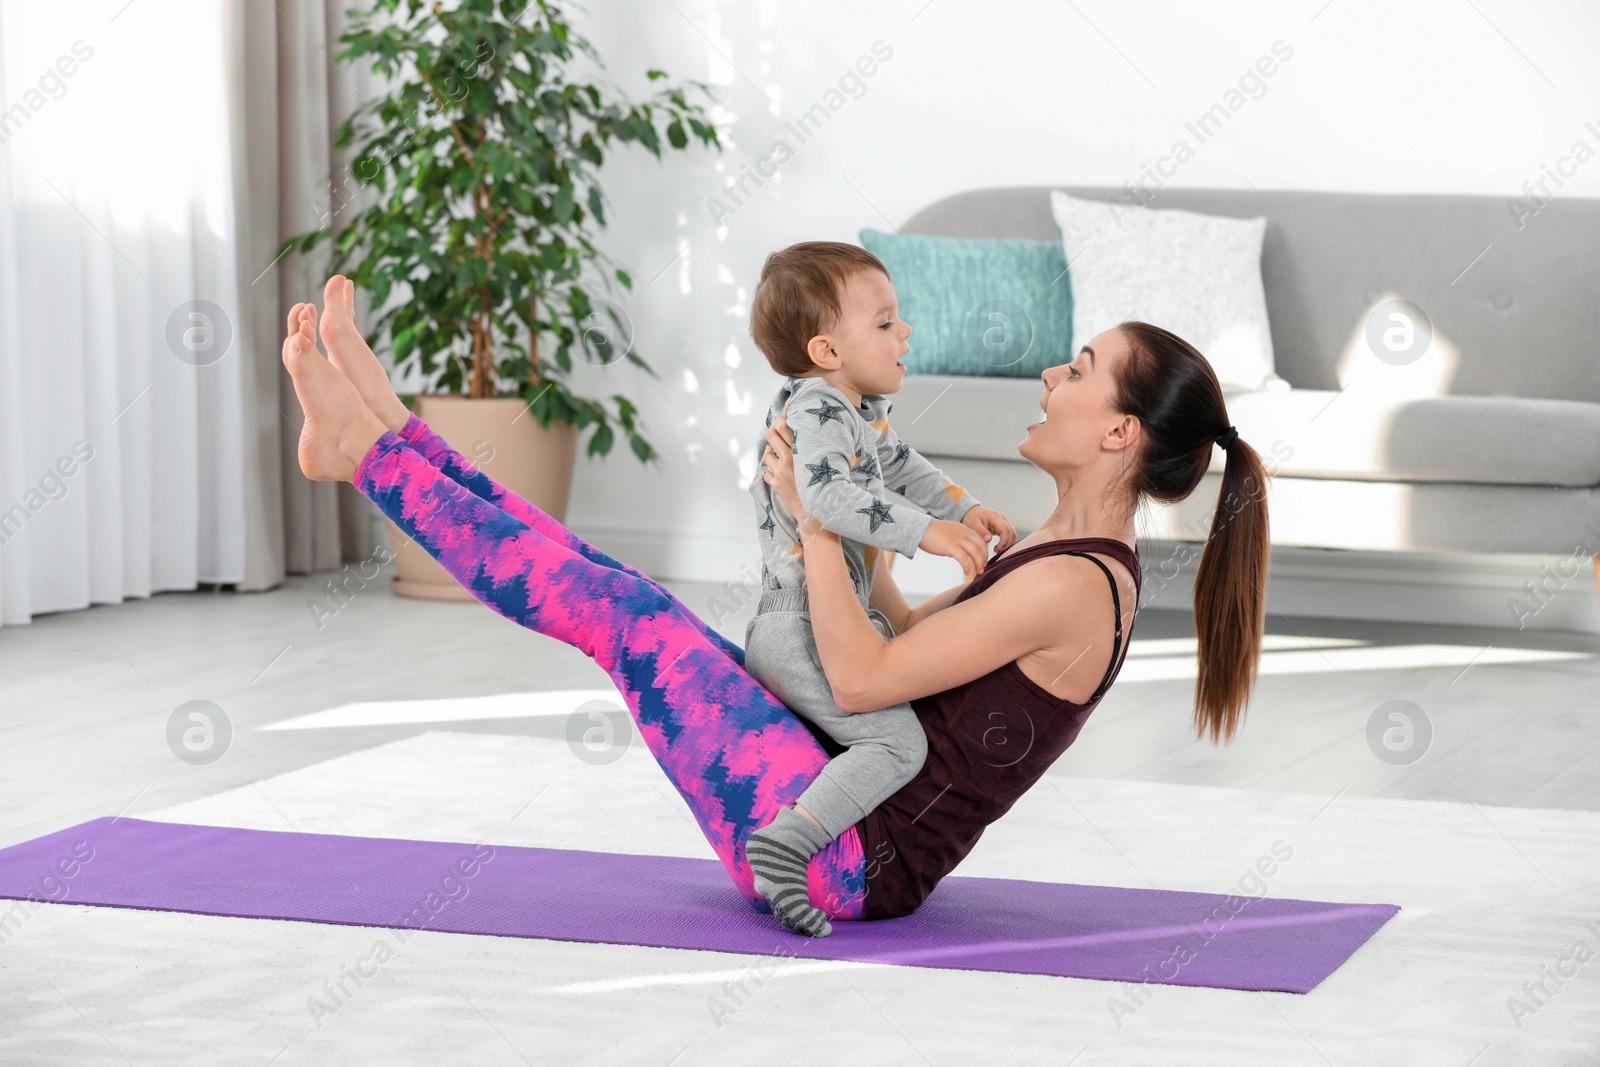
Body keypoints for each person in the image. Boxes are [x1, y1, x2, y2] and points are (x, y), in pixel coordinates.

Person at [282, 274, 1269, 930]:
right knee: (627, 597)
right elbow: (913, 649)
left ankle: (371, 455)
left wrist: (815, 519)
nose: (1053, 374)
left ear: (1119, 435)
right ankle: (391, 433)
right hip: (842, 779)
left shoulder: (1070, 582)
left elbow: (861, 672)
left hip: (846, 855)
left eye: (1081, 370)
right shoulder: (1059, 547)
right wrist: (871, 551)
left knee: (627, 622)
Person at [740, 242, 1018, 937]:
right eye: (887, 322)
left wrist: (962, 507)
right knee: (899, 745)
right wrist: (929, 534)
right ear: (828, 350)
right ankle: (790, 842)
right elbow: (827, 501)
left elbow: (902, 466)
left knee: (908, 705)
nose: (906, 333)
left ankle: (824, 828)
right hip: (799, 625)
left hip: (827, 617)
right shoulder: (816, 412)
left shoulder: (857, 411)